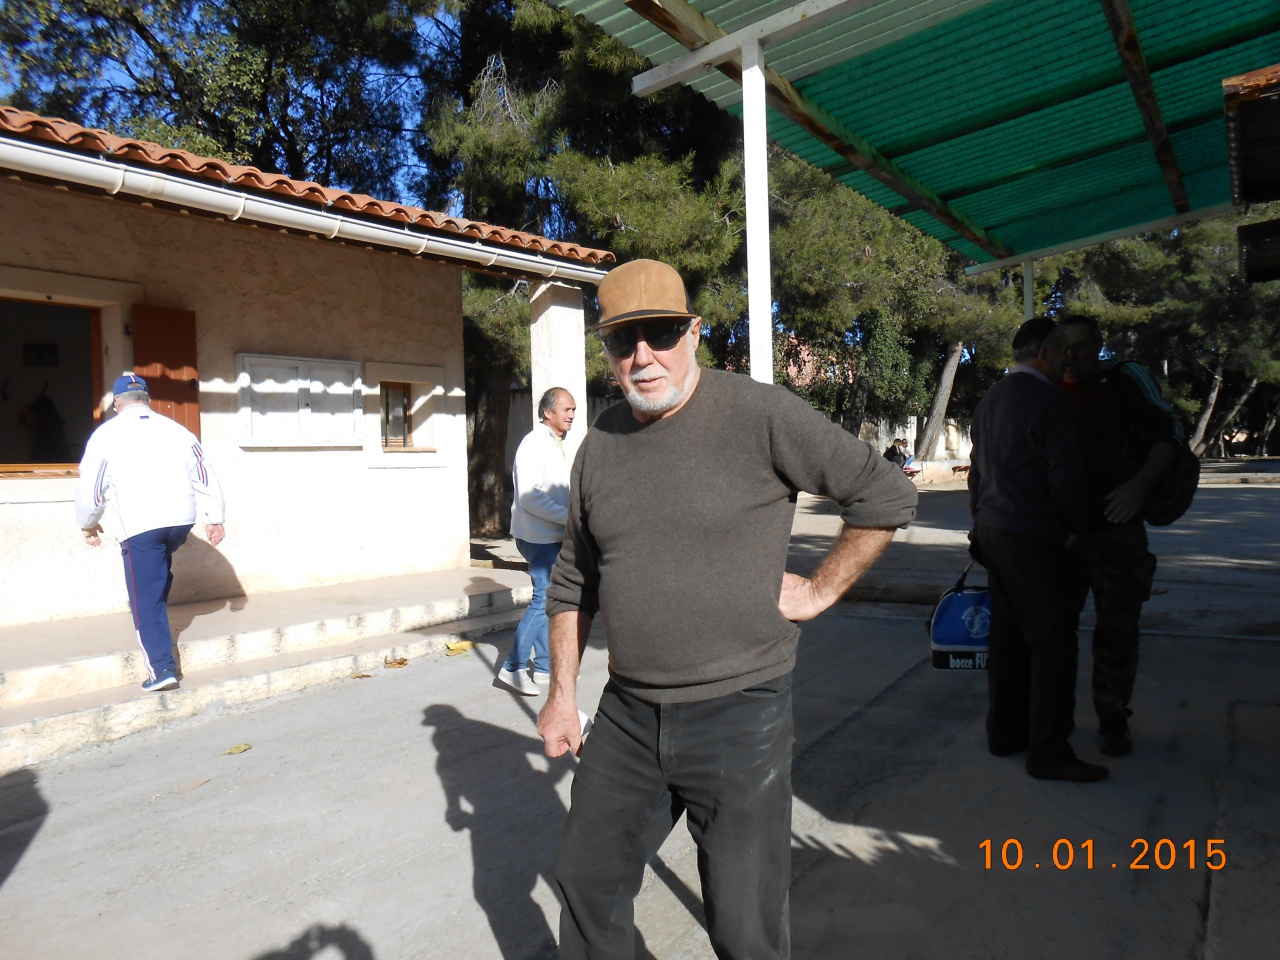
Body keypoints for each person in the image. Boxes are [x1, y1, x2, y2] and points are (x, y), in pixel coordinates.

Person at [535, 259, 918, 960]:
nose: (643, 355)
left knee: (745, 927)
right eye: (623, 340)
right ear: (607, 351)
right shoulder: (598, 446)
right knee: (586, 882)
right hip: (628, 713)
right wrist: (562, 696)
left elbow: (885, 494)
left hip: (741, 712)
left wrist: (820, 588)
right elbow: (573, 579)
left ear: (693, 333)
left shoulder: (761, 415)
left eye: (660, 333)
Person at [968, 317, 1105, 781]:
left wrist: (978, 525)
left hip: (993, 531)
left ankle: (1005, 734)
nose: (1070, 360)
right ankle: (1049, 753)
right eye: (1063, 351)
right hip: (1034, 536)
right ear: (1044, 353)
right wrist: (1079, 528)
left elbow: (976, 473)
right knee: (1053, 644)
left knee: (1007, 639)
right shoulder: (1051, 401)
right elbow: (1065, 476)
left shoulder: (990, 399)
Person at [1058, 314, 1182, 757]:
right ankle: (1055, 718)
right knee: (1056, 632)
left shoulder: (1124, 380)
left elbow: (1169, 436)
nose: (1072, 356)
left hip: (1118, 532)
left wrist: (1139, 485)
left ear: (1098, 346)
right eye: (1064, 347)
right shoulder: (1044, 389)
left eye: (1081, 346)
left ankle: (1113, 720)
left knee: (1118, 632)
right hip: (1062, 537)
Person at [75, 373, 225, 692]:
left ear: (117, 403)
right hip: (179, 523)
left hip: (140, 526)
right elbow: (204, 473)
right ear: (147, 399)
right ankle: (158, 617)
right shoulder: (177, 430)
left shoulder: (106, 435)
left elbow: (92, 488)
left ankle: (161, 669)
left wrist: (88, 523)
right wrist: (215, 517)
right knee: (155, 579)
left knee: (144, 598)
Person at [497, 387, 576, 696]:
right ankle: (513, 667)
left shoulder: (552, 442)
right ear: (547, 412)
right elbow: (530, 497)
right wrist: (568, 517)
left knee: (548, 599)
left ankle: (543, 667)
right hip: (538, 538)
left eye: (573, 409)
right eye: (567, 409)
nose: (571, 415)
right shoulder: (534, 443)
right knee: (543, 600)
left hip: (549, 536)